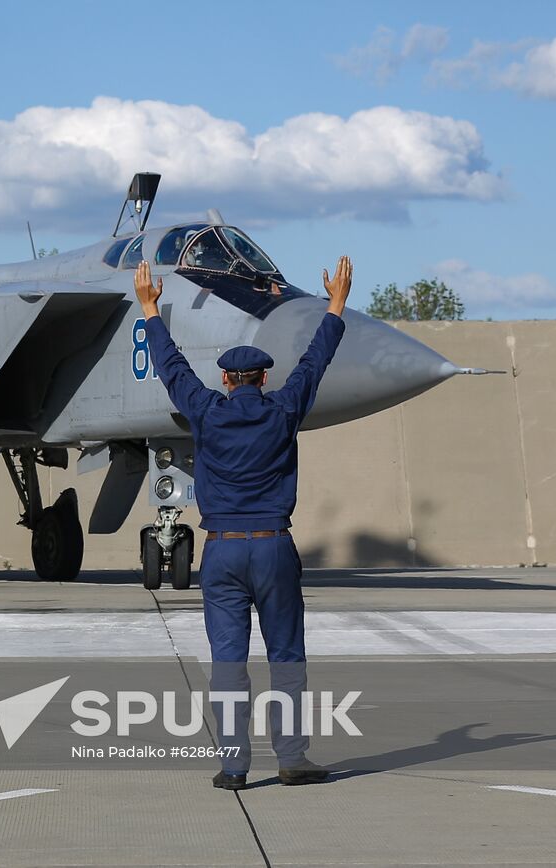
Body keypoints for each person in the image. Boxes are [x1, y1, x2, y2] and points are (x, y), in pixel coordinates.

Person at [132, 256, 352, 790]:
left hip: (223, 551)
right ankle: (293, 758)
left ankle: (234, 766)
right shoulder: (283, 411)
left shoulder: (206, 410)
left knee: (228, 660)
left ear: (228, 379)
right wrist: (335, 304)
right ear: (264, 377)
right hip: (274, 546)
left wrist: (150, 310)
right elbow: (314, 363)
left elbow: (171, 369)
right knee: (287, 656)